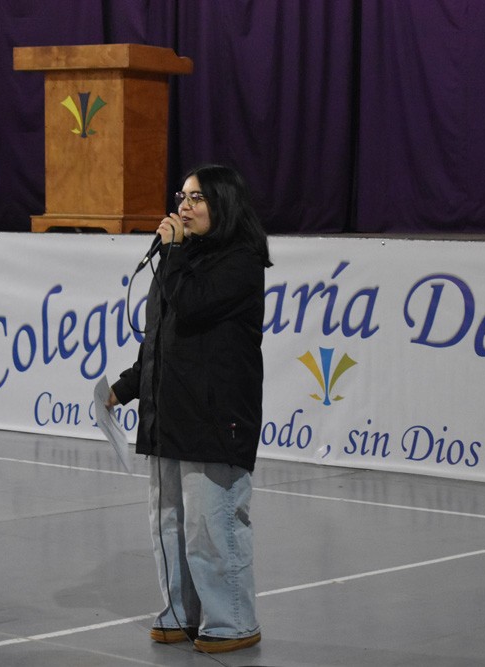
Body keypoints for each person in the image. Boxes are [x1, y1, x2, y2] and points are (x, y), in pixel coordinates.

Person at [107, 164, 271, 654]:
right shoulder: (178, 260)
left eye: (196, 198)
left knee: (212, 525)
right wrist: (125, 388)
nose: (184, 205)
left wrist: (173, 252)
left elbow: (194, 306)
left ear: (223, 204)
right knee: (170, 523)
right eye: (182, 196)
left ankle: (232, 620)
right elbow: (161, 337)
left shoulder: (240, 262)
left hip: (215, 416)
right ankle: (180, 613)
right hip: (169, 414)